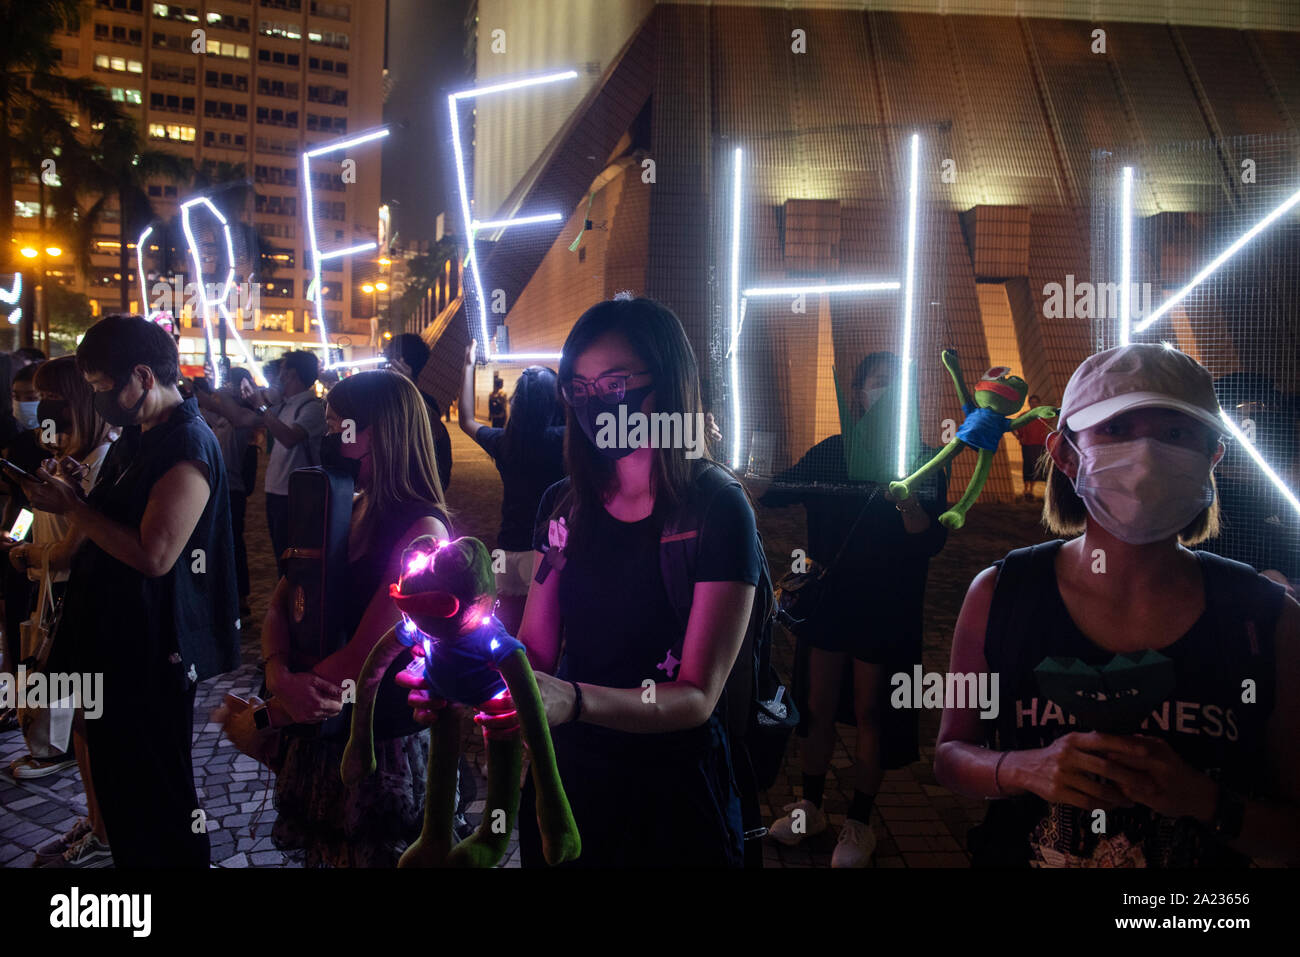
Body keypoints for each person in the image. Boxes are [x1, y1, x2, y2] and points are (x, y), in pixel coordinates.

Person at [407, 296, 760, 868]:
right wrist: (459, 677)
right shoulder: (564, 506)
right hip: (567, 788)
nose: (598, 403)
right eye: (581, 387)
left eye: (616, 381)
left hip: (670, 795)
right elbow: (537, 653)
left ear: (669, 382)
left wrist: (572, 699)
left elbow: (697, 694)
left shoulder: (715, 509)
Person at [935, 343, 1300, 867]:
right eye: (1116, 429)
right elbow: (950, 756)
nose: (1146, 455)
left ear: (1211, 454)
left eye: (1174, 433)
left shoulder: (1269, 620)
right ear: (1064, 453)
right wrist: (1026, 768)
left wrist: (1203, 800)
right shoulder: (1001, 594)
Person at [20, 314, 239, 867]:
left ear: (142, 375)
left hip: (152, 648)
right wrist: (76, 493)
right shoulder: (141, 437)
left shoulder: (187, 442)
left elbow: (155, 554)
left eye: (100, 388)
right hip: (116, 640)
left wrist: (73, 508)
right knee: (123, 786)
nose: (96, 402)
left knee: (157, 793)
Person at [754, 351, 949, 867]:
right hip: (830, 602)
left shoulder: (926, 458)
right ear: (858, 394)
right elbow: (772, 494)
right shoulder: (833, 451)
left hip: (886, 608)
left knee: (871, 714)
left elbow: (930, 541)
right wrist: (721, 457)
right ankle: (809, 808)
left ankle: (859, 822)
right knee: (816, 708)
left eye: (893, 383)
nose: (882, 391)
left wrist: (905, 496)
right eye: (874, 382)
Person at [261, 370, 451, 867]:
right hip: (321, 726)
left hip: (380, 739)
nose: (327, 439)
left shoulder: (422, 527)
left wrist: (273, 711)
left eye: (337, 427)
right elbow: (282, 600)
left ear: (378, 433)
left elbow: (370, 651)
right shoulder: (342, 504)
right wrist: (277, 673)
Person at [8, 356, 115, 864]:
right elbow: (34, 512)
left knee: (87, 719)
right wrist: (22, 536)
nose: (37, 405)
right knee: (78, 717)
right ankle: (96, 819)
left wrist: (31, 553)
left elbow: (80, 543)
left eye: (49, 396)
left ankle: (105, 827)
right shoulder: (61, 453)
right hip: (51, 589)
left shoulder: (105, 459)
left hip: (81, 598)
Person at [457, 339, 565, 634]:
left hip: (504, 551)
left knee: (505, 637)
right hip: (542, 551)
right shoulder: (563, 440)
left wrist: (467, 366)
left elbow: (465, 419)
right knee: (541, 641)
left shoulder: (505, 443)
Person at [250, 350, 326, 576]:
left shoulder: (311, 407)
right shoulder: (286, 405)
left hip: (295, 494)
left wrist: (262, 407)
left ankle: (297, 605)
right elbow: (242, 420)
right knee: (279, 555)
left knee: (293, 558)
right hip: (276, 491)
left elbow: (289, 437)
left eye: (281, 371)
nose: (277, 377)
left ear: (291, 374)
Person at [196, 367, 257, 618]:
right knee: (208, 544)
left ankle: (240, 598)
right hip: (213, 487)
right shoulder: (219, 415)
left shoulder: (244, 415)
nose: (224, 390)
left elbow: (228, 412)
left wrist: (217, 395)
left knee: (233, 544)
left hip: (232, 489)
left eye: (229, 385)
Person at [385, 333, 452, 491]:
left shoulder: (424, 404)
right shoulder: (384, 397)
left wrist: (408, 388)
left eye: (387, 357)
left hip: (411, 495)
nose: (383, 364)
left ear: (399, 362)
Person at [1014, 392, 1052, 501]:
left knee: (1036, 467)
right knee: (1027, 466)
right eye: (1032, 402)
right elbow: (1012, 426)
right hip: (1027, 444)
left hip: (1039, 444)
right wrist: (1018, 436)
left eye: (1036, 402)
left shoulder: (1043, 416)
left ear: (1039, 404)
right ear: (1029, 403)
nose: (1034, 404)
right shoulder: (1024, 416)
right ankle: (1026, 489)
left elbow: (1050, 425)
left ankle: (1031, 490)